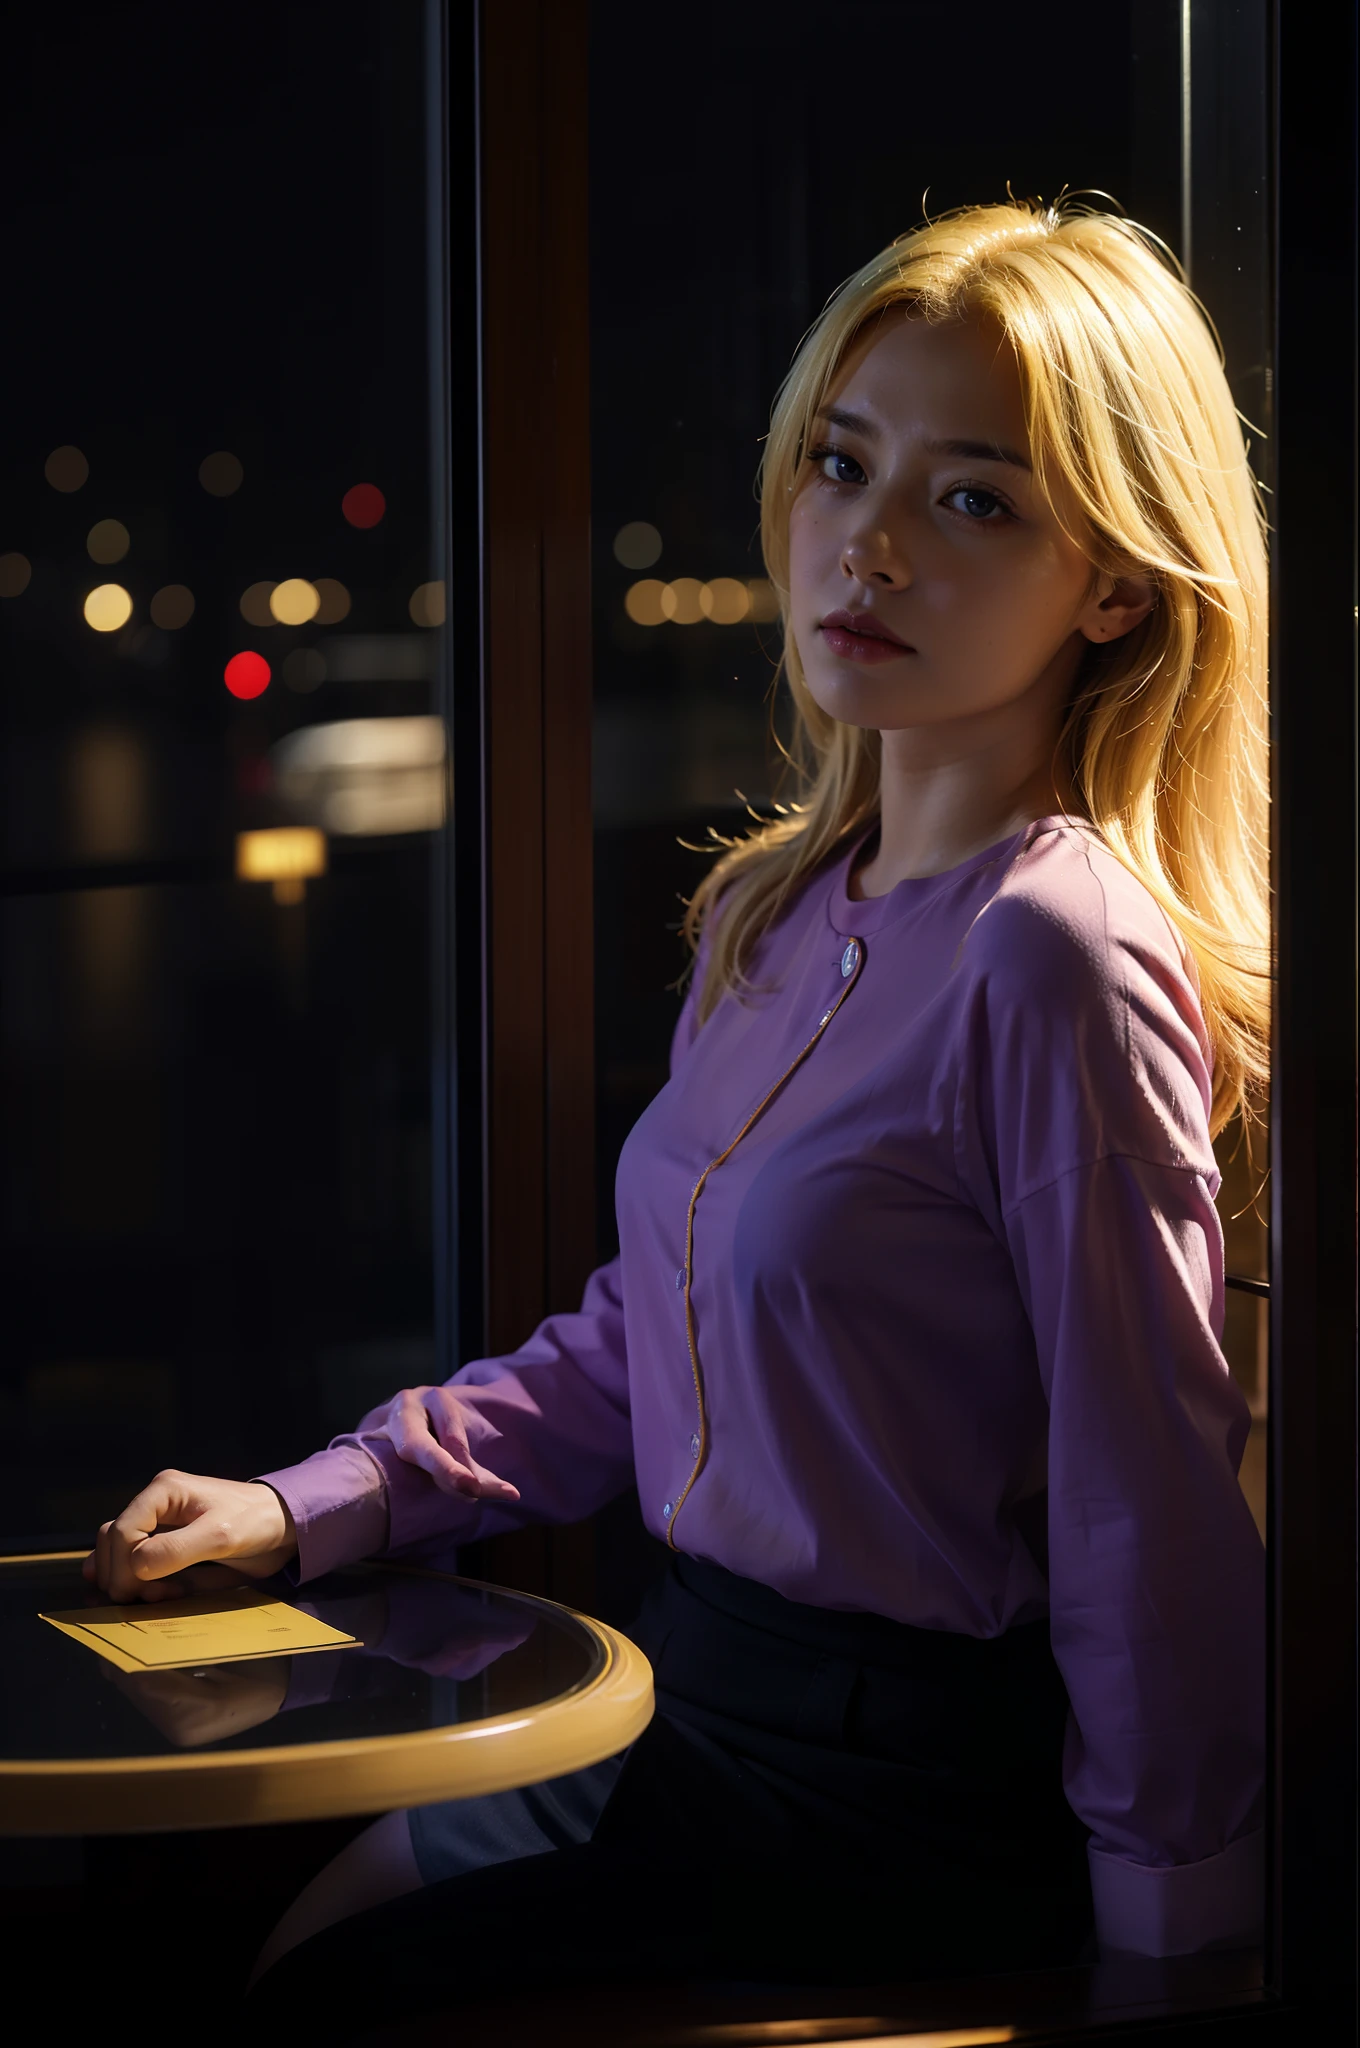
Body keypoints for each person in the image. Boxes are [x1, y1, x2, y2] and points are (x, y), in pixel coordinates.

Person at [86, 195, 1269, 2026]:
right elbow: (647, 1344)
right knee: (242, 1942)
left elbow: (1145, 1499)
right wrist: (313, 1503)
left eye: (971, 498)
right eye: (839, 464)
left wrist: (1175, 1946)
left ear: (1113, 581)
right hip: (679, 1698)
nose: (863, 544)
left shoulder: (1059, 952)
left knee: (324, 1996)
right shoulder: (777, 911)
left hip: (888, 1796)